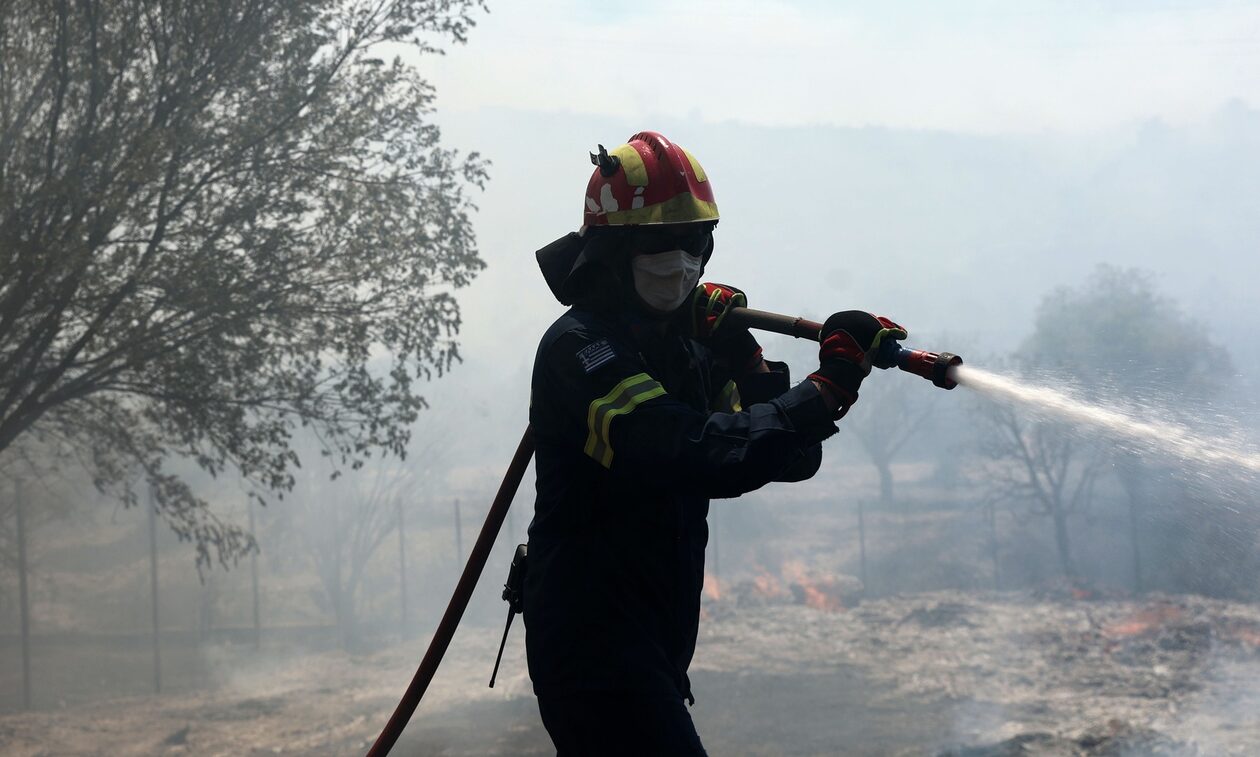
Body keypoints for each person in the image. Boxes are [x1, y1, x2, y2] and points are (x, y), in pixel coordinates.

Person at [525, 131, 907, 756]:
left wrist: (744, 356)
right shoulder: (581, 350)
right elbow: (698, 452)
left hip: (653, 642)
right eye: (658, 242)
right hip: (592, 648)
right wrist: (829, 384)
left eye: (693, 241)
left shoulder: (677, 349)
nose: (679, 259)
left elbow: (789, 458)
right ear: (612, 249)